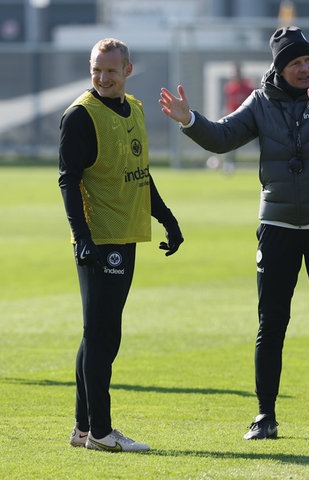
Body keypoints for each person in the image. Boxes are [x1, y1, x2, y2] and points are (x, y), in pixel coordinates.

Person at [159, 26, 309, 440]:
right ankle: (265, 416)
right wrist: (190, 121)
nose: (305, 68)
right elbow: (223, 136)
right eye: (295, 63)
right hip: (277, 226)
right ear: (280, 68)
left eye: (308, 60)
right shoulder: (261, 101)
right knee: (271, 324)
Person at [59, 38, 184, 452]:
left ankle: (83, 429)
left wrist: (166, 218)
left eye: (111, 70)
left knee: (97, 334)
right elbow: (68, 180)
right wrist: (82, 238)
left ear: (127, 70)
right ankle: (101, 432)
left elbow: (139, 174)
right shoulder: (80, 116)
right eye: (96, 69)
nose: (102, 77)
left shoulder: (136, 109)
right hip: (100, 240)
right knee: (102, 336)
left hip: (127, 234)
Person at [221, 63, 254, 172]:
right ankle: (229, 164)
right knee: (231, 143)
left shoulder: (249, 87)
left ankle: (268, 161)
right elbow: (228, 104)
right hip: (235, 120)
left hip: (249, 120)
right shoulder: (230, 88)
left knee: (262, 140)